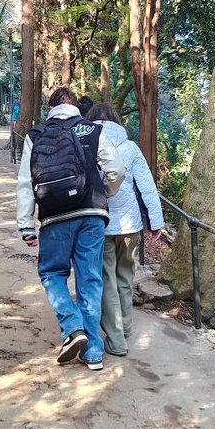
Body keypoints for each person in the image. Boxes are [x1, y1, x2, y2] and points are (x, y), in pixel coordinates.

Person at [17, 87, 125, 371]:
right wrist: (105, 193)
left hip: (54, 216)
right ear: (76, 106)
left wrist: (26, 224)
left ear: (49, 107)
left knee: (52, 273)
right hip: (92, 214)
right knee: (90, 279)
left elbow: (26, 183)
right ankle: (93, 352)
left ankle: (73, 326)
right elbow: (116, 170)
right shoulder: (93, 130)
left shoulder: (36, 135)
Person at [85, 102, 164, 357]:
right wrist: (156, 223)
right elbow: (147, 187)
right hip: (131, 227)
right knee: (125, 277)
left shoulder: (87, 142)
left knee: (106, 279)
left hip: (101, 222)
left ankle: (117, 340)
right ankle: (126, 327)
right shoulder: (130, 148)